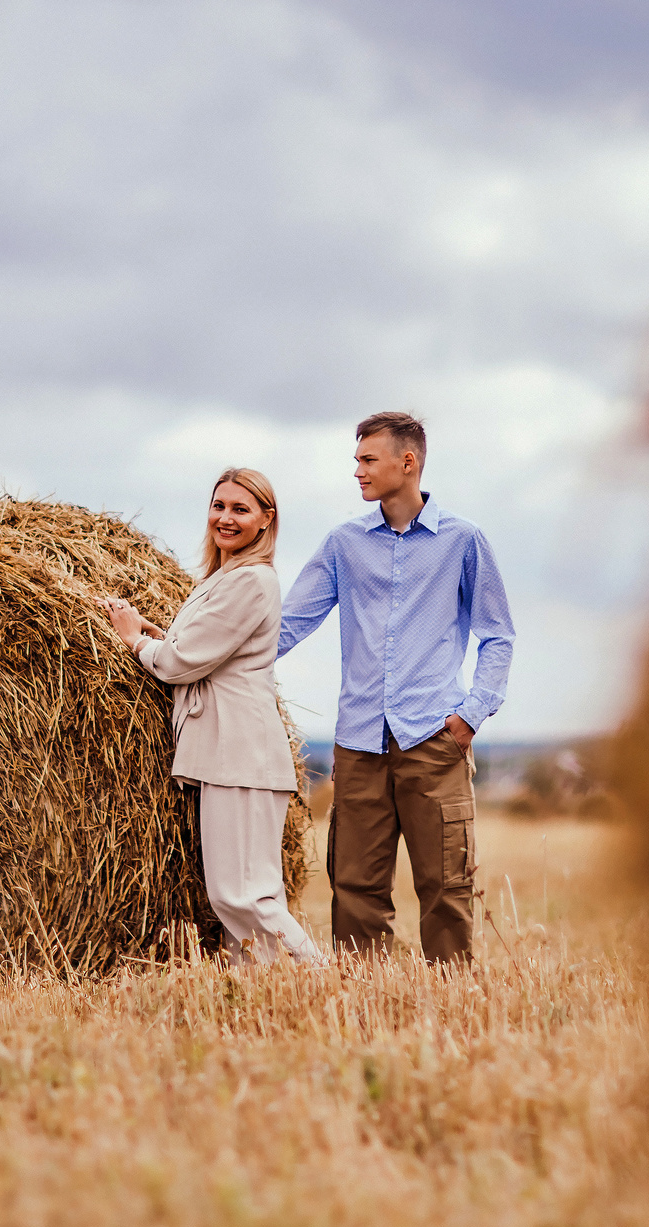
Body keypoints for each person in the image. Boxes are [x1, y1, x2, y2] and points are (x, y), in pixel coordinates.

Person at [279, 411, 514, 962]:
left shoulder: (463, 541)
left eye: (367, 459)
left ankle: (453, 1009)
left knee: (447, 890)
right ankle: (367, 1007)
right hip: (358, 744)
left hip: (434, 741)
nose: (356, 472)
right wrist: (196, 652)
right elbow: (288, 625)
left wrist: (470, 716)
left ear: (407, 463)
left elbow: (497, 636)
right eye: (356, 460)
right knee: (355, 891)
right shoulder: (343, 544)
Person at [107, 469, 327, 965]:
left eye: (240, 509)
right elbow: (203, 650)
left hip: (242, 753)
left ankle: (324, 982)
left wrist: (135, 639)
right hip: (226, 753)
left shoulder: (251, 580)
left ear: (266, 519)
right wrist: (159, 633)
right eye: (219, 506)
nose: (225, 518)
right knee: (233, 897)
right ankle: (261, 995)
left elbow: (181, 662)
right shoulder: (224, 577)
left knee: (248, 896)